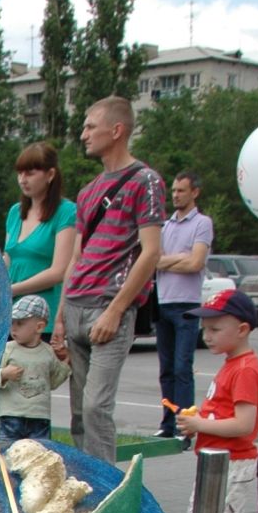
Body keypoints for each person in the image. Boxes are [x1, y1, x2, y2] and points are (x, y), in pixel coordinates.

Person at [51, 98, 165, 463]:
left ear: (115, 131)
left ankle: (107, 491)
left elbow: (151, 252)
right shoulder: (88, 191)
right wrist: (59, 316)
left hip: (109, 306)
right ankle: (85, 484)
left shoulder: (145, 182)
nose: (83, 134)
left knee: (98, 406)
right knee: (79, 413)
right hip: (77, 305)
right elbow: (76, 258)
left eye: (89, 126)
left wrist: (116, 310)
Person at [176, 287, 258, 513]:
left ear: (241, 329)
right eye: (205, 329)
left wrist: (200, 423)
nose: (206, 336)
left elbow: (244, 424)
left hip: (232, 463)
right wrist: (199, 424)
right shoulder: (231, 364)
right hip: (214, 460)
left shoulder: (246, 369)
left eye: (215, 329)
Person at [154, 170, 214, 441]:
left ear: (195, 193)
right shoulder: (165, 227)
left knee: (182, 367)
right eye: (174, 191)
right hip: (163, 302)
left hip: (187, 304)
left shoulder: (202, 223)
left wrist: (168, 260)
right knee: (166, 369)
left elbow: (195, 263)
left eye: (181, 191)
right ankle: (168, 423)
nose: (176, 196)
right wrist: (176, 258)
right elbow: (153, 259)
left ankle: (185, 426)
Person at [3, 141, 77, 321]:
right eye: (19, 173)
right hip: (10, 314)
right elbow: (7, 259)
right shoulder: (15, 212)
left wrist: (13, 289)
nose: (22, 179)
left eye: (30, 173)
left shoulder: (66, 212)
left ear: (50, 174)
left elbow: (59, 271)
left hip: (42, 314)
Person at [0, 296, 69, 446]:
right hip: (11, 415)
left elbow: (53, 381)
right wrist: (4, 374)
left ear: (39, 327)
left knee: (38, 454)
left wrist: (66, 361)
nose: (14, 329)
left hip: (39, 417)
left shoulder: (47, 352)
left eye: (20, 324)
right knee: (6, 452)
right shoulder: (7, 349)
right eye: (12, 323)